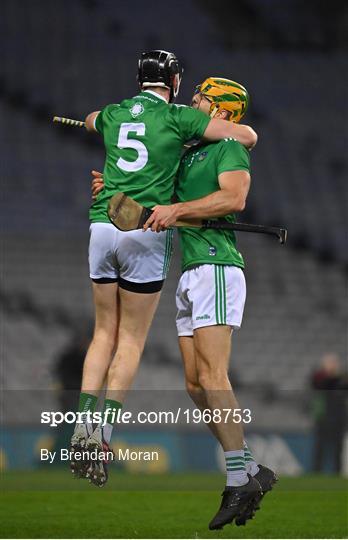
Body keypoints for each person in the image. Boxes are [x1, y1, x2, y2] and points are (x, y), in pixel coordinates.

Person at [91, 77, 276, 529]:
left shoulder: (229, 146)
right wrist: (114, 191)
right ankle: (250, 468)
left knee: (213, 375)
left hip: (216, 265)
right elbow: (155, 203)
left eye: (202, 101)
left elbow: (235, 197)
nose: (192, 103)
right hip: (191, 270)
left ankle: (238, 478)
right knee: (194, 386)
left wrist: (178, 211)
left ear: (225, 112)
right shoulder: (188, 152)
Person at [311, 352, 348, 473]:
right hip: (323, 418)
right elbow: (318, 385)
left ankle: (337, 471)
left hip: (339, 418)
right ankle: (316, 471)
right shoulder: (319, 377)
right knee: (320, 447)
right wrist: (331, 375)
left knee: (338, 448)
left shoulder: (342, 379)